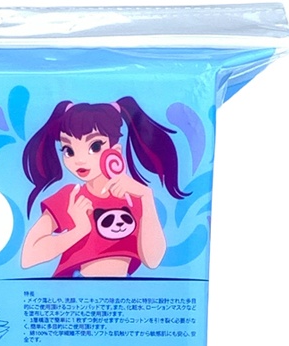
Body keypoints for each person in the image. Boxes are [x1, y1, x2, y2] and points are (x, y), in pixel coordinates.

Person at [20, 97, 188, 278]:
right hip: (73, 287)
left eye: (95, 146)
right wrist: (79, 230)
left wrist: (146, 197)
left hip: (121, 289)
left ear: (115, 151)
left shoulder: (134, 196)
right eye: (69, 150)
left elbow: (153, 260)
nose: (80, 160)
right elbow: (29, 256)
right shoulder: (71, 197)